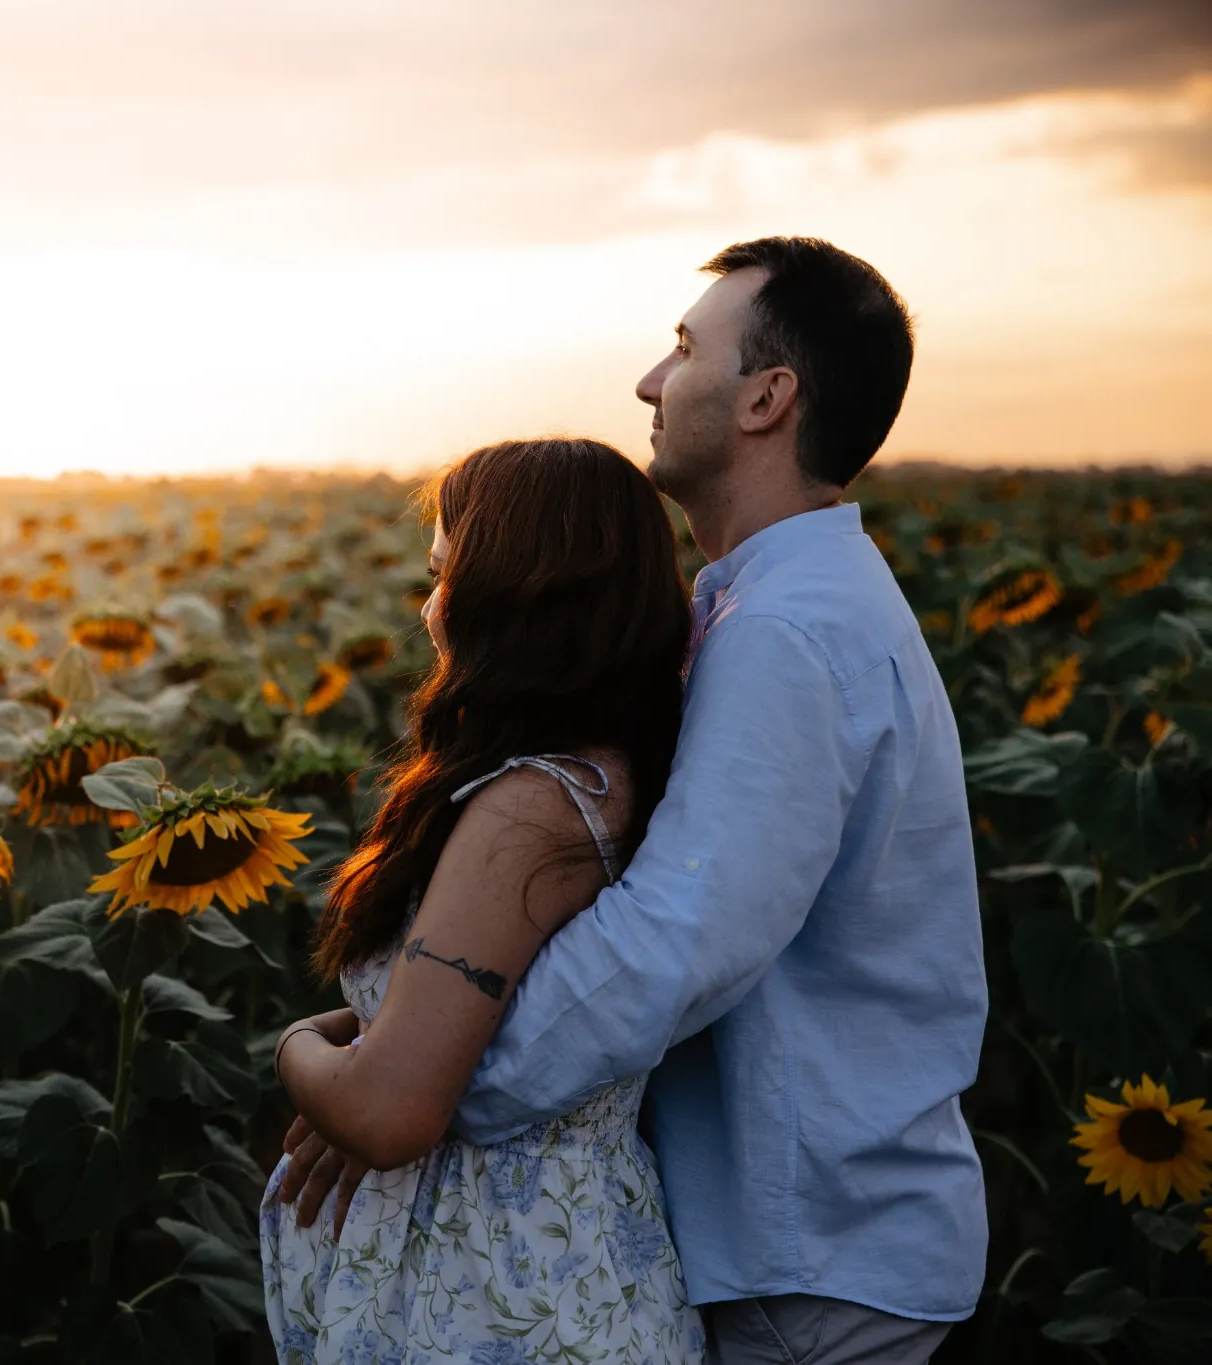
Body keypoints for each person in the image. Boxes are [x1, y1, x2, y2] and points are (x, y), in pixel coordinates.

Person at [275, 237, 988, 1365]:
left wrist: (414, 1078)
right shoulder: (769, 607)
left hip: (804, 1241)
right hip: (797, 1231)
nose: (649, 384)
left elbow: (676, 942)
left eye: (682, 349)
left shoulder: (785, 636)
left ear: (766, 397)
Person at [262, 436, 707, 1363]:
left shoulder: (530, 810)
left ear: (516, 592)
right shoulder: (605, 774)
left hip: (496, 1296)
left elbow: (390, 1111)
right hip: (552, 1279)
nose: (430, 611)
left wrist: (299, 1047)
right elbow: (483, 1004)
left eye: (444, 577)